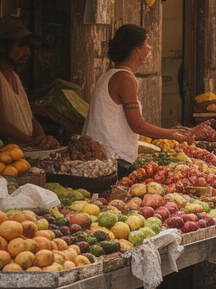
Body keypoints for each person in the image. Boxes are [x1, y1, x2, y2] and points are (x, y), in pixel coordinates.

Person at [83, 25, 200, 176]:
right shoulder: (124, 78)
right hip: (112, 159)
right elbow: (137, 125)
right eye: (147, 43)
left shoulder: (110, 75)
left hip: (105, 157)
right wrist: (173, 134)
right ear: (136, 48)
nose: (150, 47)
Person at [0, 21, 57, 148]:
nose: (27, 51)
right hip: (5, 154)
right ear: (2, 47)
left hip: (23, 150)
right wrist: (31, 141)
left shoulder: (15, 77)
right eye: (21, 45)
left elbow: (30, 119)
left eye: (28, 46)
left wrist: (41, 138)